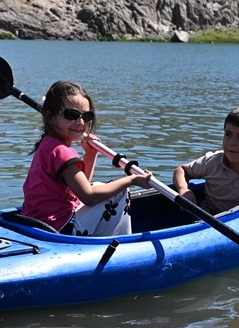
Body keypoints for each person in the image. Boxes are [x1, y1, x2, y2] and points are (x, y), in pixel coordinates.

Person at [20, 80, 152, 236]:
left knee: (99, 185)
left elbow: (78, 189)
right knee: (120, 192)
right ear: (50, 116)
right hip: (60, 229)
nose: (80, 122)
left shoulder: (48, 144)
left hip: (38, 222)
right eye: (71, 115)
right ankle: (118, 242)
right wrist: (132, 180)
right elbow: (88, 197)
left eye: (86, 116)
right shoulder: (62, 152)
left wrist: (90, 154)